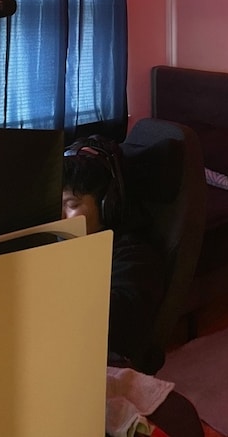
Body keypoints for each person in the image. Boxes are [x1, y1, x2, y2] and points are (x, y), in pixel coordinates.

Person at [62, 135, 165, 368]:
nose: (60, 217)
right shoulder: (72, 246)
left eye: (72, 205)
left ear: (108, 205)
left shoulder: (134, 257)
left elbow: (116, 319)